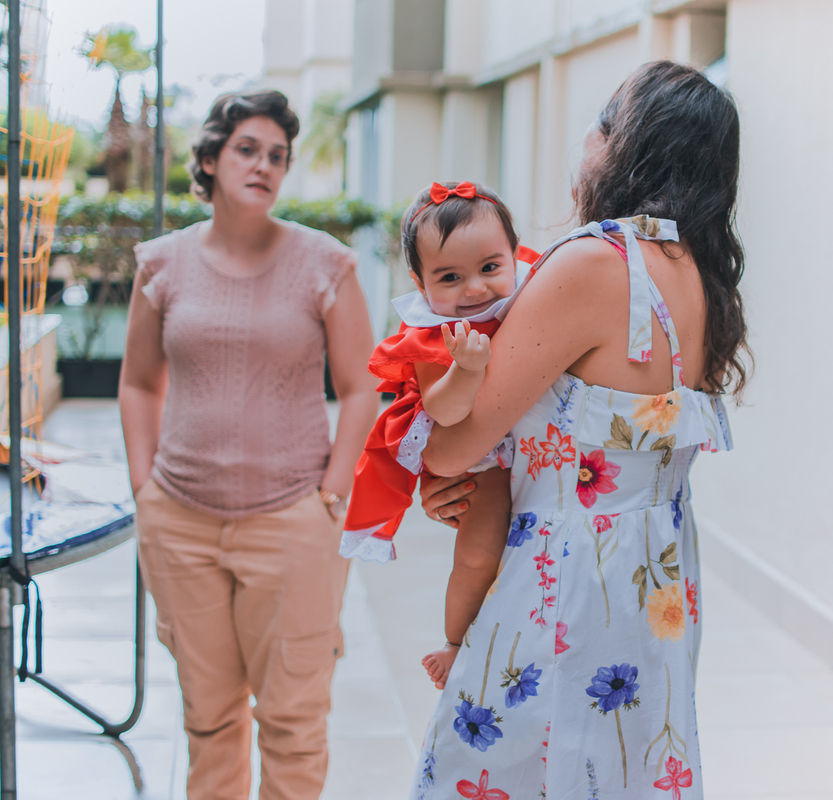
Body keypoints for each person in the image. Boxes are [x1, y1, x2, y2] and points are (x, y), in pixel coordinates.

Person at [407, 61, 747, 798]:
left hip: (569, 572)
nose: (586, 138)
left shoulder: (593, 263)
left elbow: (461, 444)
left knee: (512, 767)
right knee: (618, 769)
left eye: (602, 120)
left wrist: (439, 470)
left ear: (632, 147)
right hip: (652, 572)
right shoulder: (695, 274)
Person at [118, 90, 377, 800]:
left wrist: (330, 496)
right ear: (209, 160)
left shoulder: (326, 264)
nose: (265, 165)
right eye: (247, 150)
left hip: (292, 519)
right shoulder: (162, 264)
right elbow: (139, 384)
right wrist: (146, 492)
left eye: (278, 156)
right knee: (208, 718)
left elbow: (362, 388)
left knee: (294, 722)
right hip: (181, 522)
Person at [338, 181, 541, 689]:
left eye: (490, 268)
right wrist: (466, 371)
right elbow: (441, 411)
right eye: (450, 277)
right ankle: (455, 642)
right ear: (420, 282)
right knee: (478, 553)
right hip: (485, 458)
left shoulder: (534, 296)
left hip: (539, 449)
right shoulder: (432, 334)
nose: (474, 289)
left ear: (513, 257)